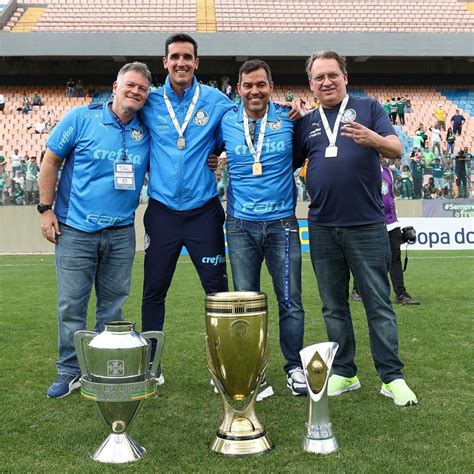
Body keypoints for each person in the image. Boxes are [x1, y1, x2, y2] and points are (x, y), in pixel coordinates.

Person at [293, 50, 417, 407]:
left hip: (366, 225)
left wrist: (373, 139)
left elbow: (396, 149)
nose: (326, 82)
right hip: (321, 227)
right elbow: (288, 163)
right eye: (319, 77)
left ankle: (392, 377)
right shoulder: (306, 123)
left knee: (378, 303)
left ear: (345, 77)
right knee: (333, 306)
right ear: (311, 85)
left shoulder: (369, 108)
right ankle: (345, 372)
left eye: (332, 75)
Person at [38, 62, 152, 398]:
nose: (135, 92)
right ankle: (69, 370)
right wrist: (45, 210)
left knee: (112, 307)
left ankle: (104, 368)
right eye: (130, 85)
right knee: (71, 306)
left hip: (120, 232)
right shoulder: (81, 118)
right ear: (116, 87)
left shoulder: (147, 129)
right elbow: (50, 161)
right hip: (75, 231)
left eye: (143, 89)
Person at [140, 34, 233, 380]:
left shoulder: (217, 101)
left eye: (188, 57)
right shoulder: (148, 101)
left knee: (217, 293)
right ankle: (151, 365)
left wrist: (219, 156)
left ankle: (222, 367)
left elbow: (240, 134)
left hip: (203, 213)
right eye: (174, 56)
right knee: (154, 291)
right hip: (162, 212)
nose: (181, 62)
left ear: (197, 63)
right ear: (164, 62)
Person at [218, 59, 306, 396]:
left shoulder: (289, 118)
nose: (255, 91)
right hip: (240, 226)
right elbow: (207, 151)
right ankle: (252, 370)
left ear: (271, 87)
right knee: (246, 302)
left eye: (261, 85)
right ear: (238, 89)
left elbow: (302, 154)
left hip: (282, 223)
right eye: (248, 85)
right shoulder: (224, 120)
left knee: (291, 300)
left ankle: (294, 367)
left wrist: (298, 110)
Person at [352, 158, 420, 305]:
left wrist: (396, 220)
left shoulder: (389, 172)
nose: (382, 156)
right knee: (367, 258)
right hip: (371, 221)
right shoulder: (362, 171)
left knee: (395, 257)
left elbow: (390, 197)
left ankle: (401, 294)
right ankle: (357, 290)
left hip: (391, 222)